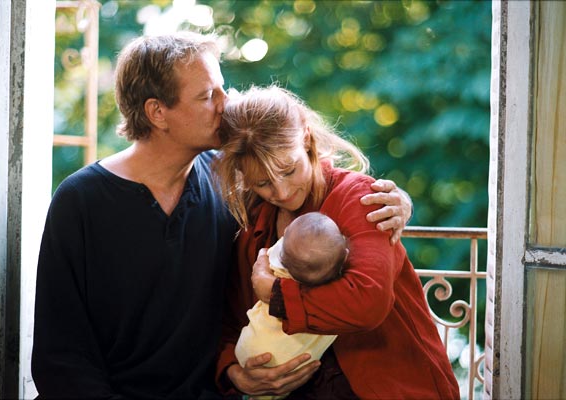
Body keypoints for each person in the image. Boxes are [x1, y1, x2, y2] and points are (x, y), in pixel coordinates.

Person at [32, 32, 412, 399]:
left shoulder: (232, 186)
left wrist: (397, 200)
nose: (225, 103)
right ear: (157, 112)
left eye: (222, 87)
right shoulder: (80, 201)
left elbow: (306, 176)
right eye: (207, 95)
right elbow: (60, 355)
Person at [213, 85, 460, 399]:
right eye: (262, 183)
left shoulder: (361, 197)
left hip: (392, 387)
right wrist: (236, 374)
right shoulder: (252, 226)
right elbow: (230, 318)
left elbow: (368, 302)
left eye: (289, 170)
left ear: (305, 138)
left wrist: (276, 295)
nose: (283, 192)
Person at [234, 212, 347, 377]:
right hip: (298, 362)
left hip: (251, 349)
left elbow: (265, 255)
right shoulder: (336, 284)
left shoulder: (276, 262)